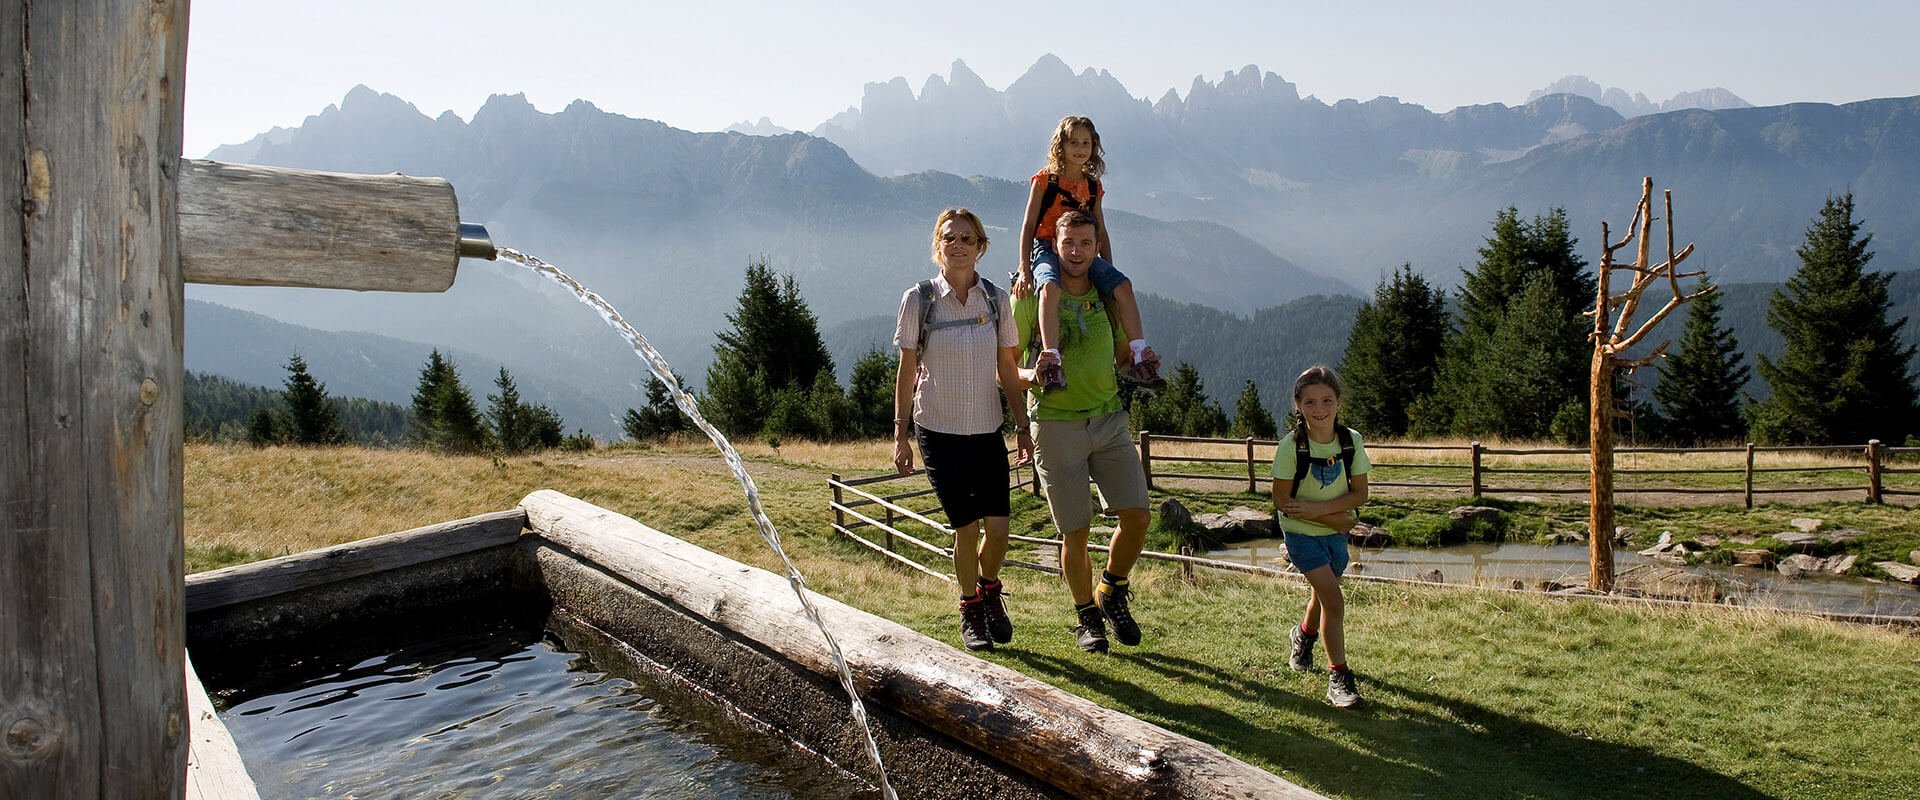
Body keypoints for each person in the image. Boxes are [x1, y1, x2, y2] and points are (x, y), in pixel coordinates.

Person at [1014, 209, 1161, 654]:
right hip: (1056, 424)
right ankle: (1086, 617)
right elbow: (1006, 367)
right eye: (1068, 244)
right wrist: (1031, 375)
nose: (1076, 252)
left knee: (1137, 516)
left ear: (1098, 248)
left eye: (1085, 244)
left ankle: (1111, 589)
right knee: (1075, 530)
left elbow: (1119, 356)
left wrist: (1138, 358)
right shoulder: (1031, 297)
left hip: (1109, 417)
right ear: (1054, 247)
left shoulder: (1107, 295)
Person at [893, 208, 1032, 651]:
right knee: (967, 529)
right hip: (939, 430)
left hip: (988, 429)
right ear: (939, 244)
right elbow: (906, 369)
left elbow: (1008, 367)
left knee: (1000, 528)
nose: (958, 245)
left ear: (980, 246)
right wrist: (901, 436)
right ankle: (971, 608)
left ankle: (990, 587)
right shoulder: (919, 299)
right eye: (949, 238)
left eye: (967, 238)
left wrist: (1022, 426)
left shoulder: (994, 300)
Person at [1012, 115, 1160, 393]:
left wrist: (1109, 270)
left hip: (1084, 248)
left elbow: (1100, 230)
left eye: (1086, 143)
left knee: (1124, 287)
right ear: (1061, 146)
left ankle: (1139, 354)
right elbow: (1029, 225)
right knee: (1050, 289)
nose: (1080, 148)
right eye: (1073, 142)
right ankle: (1052, 357)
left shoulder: (1092, 186)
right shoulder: (1045, 181)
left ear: (1094, 147)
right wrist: (1024, 267)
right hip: (1046, 246)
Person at [1270, 365, 1372, 708]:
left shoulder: (1350, 441)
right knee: (1333, 598)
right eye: (1310, 402)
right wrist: (1329, 516)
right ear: (1297, 405)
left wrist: (1320, 513)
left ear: (1339, 402)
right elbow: (1282, 501)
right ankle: (1339, 678)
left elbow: (1360, 494)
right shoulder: (1291, 446)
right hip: (1300, 533)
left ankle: (1304, 635)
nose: (1320, 409)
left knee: (1322, 592)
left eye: (1327, 400)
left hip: (1334, 533)